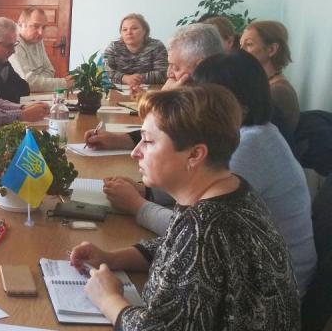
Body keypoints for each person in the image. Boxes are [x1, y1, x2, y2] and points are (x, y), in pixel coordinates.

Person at [70, 85, 300, 329]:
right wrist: (111, 258)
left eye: (147, 141)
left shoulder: (206, 228)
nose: (135, 152)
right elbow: (172, 247)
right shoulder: (230, 189)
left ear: (195, 155)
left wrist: (108, 298)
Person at [102, 50, 317, 296]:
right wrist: (147, 191)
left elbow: (195, 233)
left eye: (200, 96)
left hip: (264, 289)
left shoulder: (250, 147)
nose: (192, 104)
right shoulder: (252, 134)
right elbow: (188, 230)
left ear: (231, 105)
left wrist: (138, 205)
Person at [85, 23, 224, 150]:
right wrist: (118, 140)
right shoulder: (203, 91)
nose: (168, 74)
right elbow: (162, 133)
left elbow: (177, 140)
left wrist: (166, 101)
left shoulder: (218, 106)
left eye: (176, 67)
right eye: (169, 65)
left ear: (201, 66)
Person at [240, 20, 300, 133]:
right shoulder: (266, 83)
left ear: (271, 49)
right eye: (241, 44)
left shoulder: (278, 91)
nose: (241, 50)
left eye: (249, 44)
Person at [9, 7, 74, 91]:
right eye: (35, 26)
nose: (41, 32)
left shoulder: (36, 39)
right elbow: (27, 82)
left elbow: (50, 71)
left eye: (43, 27)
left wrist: (36, 81)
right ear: (21, 24)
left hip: (35, 93)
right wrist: (64, 83)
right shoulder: (13, 43)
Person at [103, 13, 168, 86]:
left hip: (152, 90)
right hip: (118, 90)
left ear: (144, 31)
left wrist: (136, 79)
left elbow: (163, 74)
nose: (129, 32)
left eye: (134, 28)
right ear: (121, 33)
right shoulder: (113, 47)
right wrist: (124, 78)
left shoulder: (156, 46)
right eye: (125, 29)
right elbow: (105, 72)